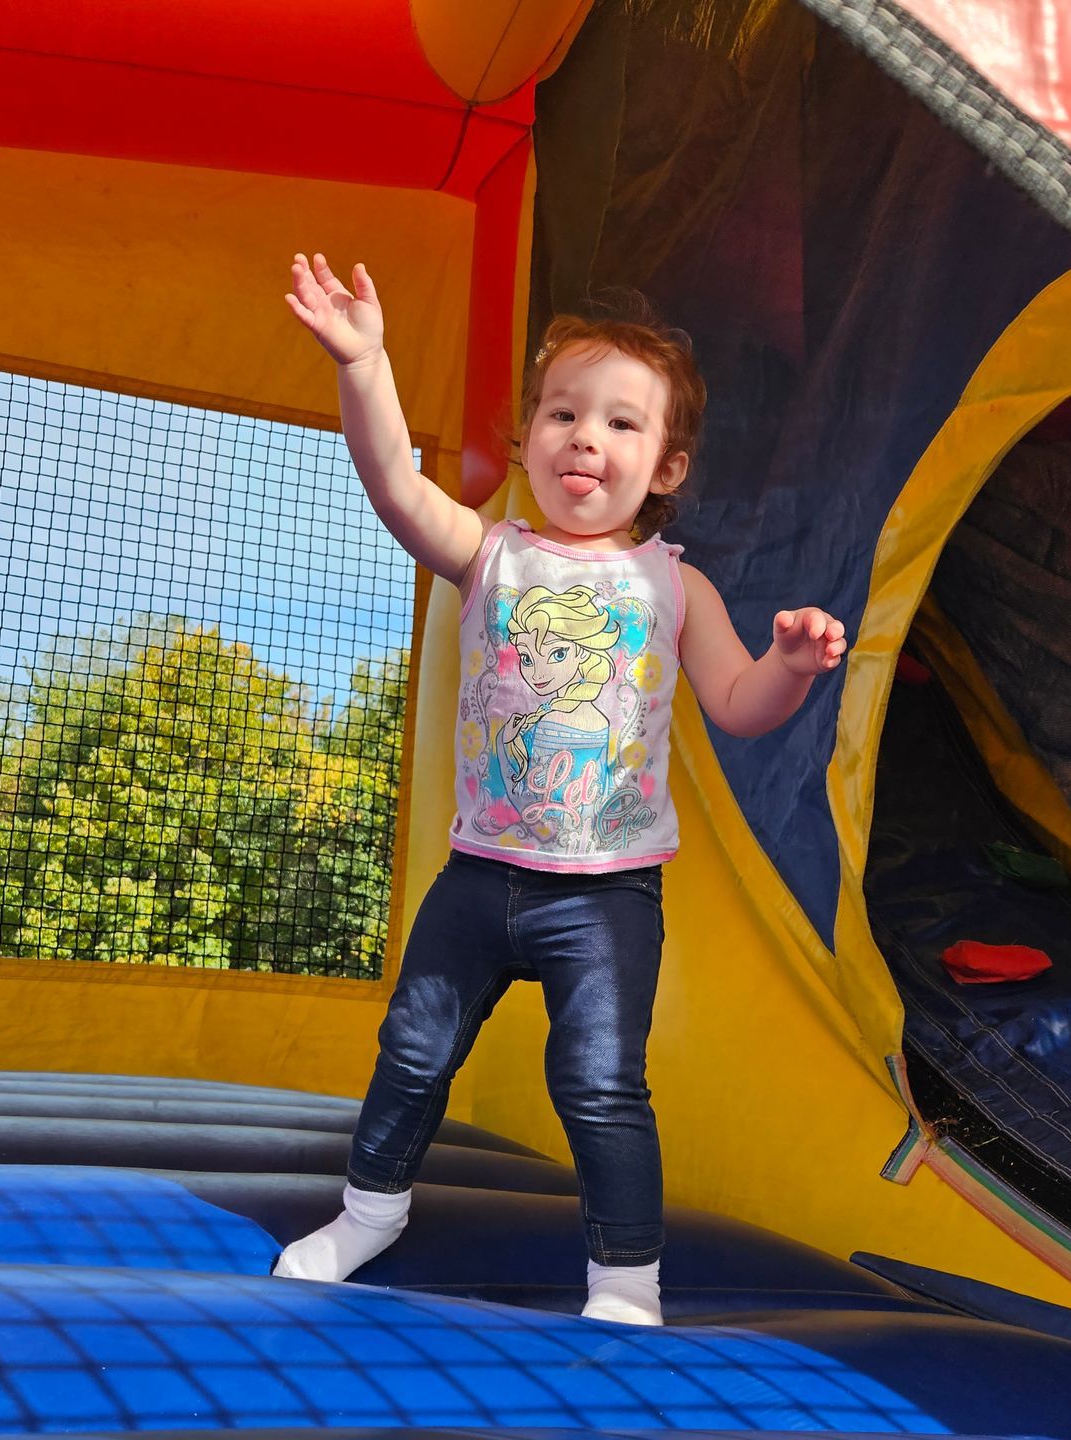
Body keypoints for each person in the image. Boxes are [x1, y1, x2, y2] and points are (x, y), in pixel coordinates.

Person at [272, 252, 846, 1324]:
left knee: (597, 1083)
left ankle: (625, 1279)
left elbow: (735, 702)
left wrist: (792, 669)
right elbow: (394, 476)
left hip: (607, 892)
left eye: (623, 424)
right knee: (413, 1049)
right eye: (563, 413)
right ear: (531, 437)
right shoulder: (486, 554)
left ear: (665, 468)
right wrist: (366, 364)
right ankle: (370, 1210)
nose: (587, 436)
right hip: (480, 872)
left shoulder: (676, 584)